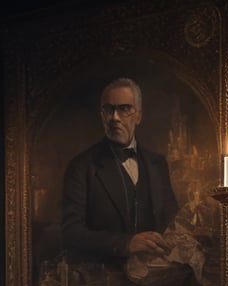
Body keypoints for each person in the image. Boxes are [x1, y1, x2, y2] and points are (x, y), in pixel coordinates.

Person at [61, 77, 178, 267]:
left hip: (155, 279)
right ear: (102, 115)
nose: (115, 117)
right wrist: (126, 244)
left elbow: (173, 219)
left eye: (124, 109)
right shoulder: (81, 167)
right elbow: (71, 234)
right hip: (104, 281)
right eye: (109, 109)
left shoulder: (157, 164)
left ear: (138, 116)